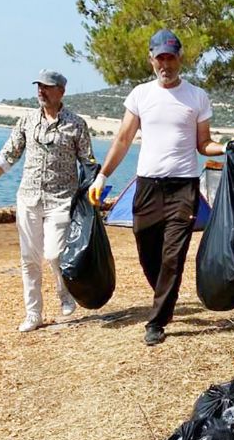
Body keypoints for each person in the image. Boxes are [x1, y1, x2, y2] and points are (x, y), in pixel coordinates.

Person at [90, 29, 225, 346]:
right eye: (160, 58)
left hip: (183, 188)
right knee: (146, 251)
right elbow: (123, 139)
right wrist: (102, 176)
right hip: (147, 186)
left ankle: (157, 321)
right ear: (151, 60)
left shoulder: (197, 97)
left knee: (172, 257)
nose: (166, 64)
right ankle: (165, 296)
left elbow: (203, 143)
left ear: (180, 59)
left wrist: (227, 147)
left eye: (171, 57)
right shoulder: (140, 95)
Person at [0, 70, 96, 332]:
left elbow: (88, 162)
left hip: (62, 199)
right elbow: (8, 155)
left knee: (54, 253)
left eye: (47, 87)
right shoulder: (27, 120)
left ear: (61, 91)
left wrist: (95, 189)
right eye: (39, 86)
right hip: (28, 198)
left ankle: (64, 293)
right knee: (29, 259)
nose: (41, 91)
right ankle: (33, 314)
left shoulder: (76, 124)